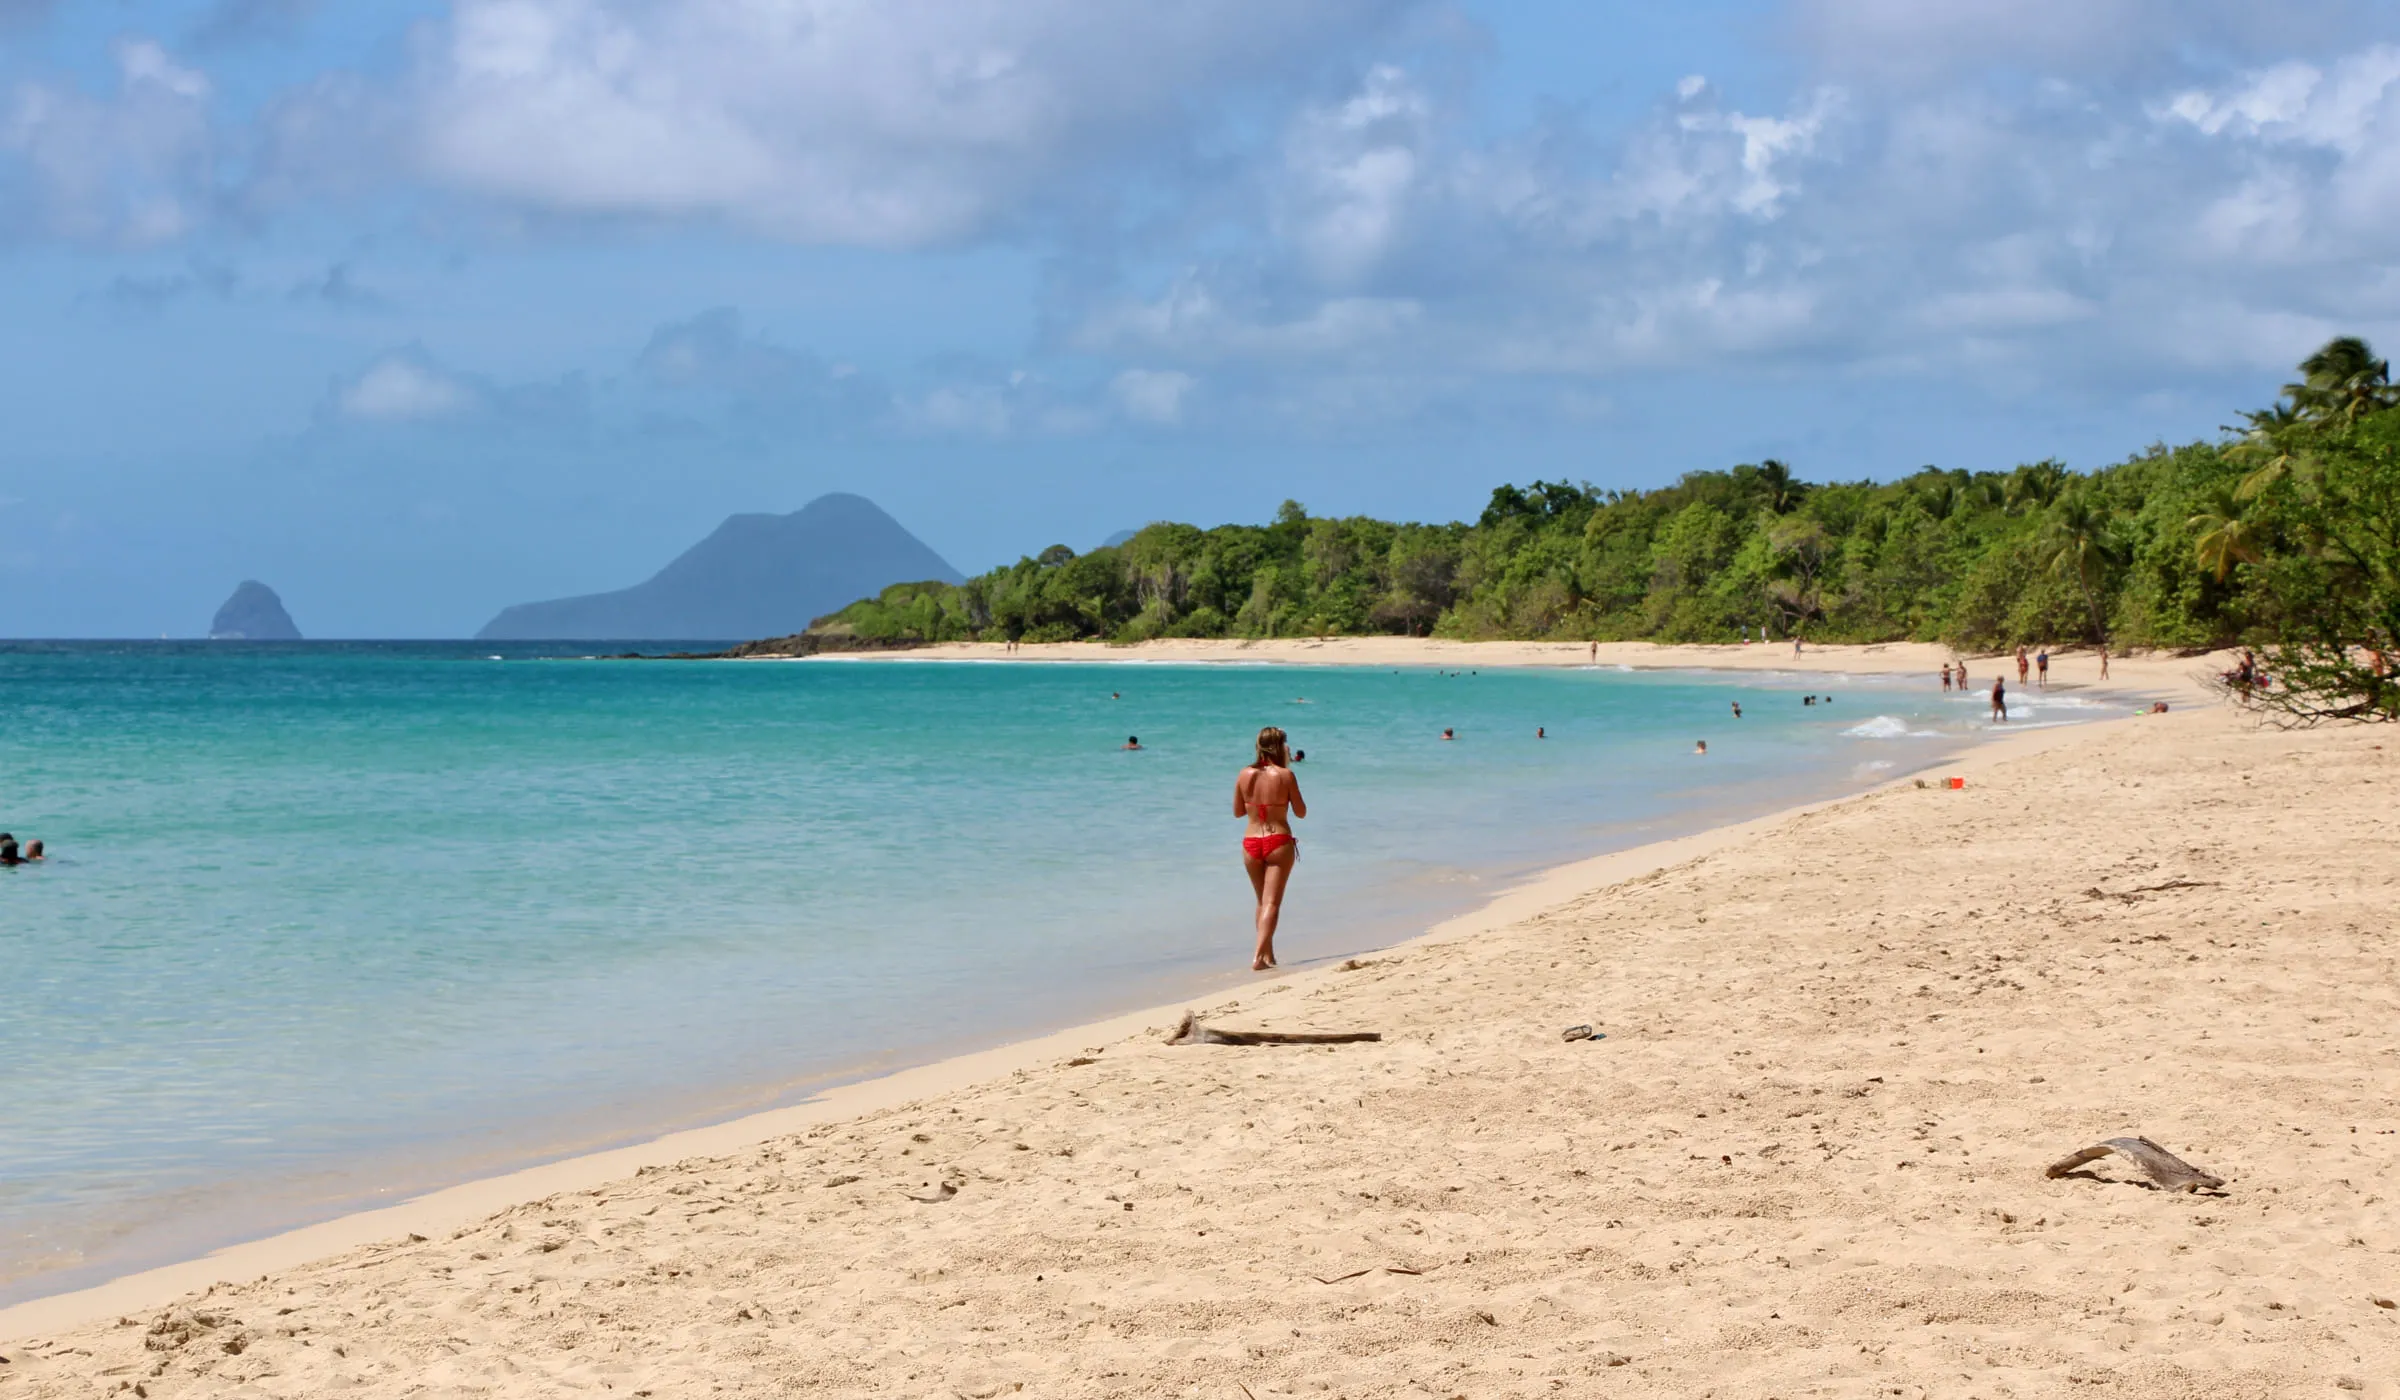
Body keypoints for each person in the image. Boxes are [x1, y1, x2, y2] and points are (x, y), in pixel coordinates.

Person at [1235, 726, 1306, 972]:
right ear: (1280, 747)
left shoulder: (1244, 774)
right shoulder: (1286, 775)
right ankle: (1257, 956)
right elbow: (1301, 812)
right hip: (1278, 840)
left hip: (1251, 842)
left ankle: (1268, 955)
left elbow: (1237, 812)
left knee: (1261, 902)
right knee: (1272, 903)